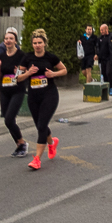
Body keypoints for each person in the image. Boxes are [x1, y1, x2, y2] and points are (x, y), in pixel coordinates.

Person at [17, 28, 66, 170]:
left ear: (44, 44)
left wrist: (53, 74)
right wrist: (28, 73)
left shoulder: (51, 57)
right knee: (40, 125)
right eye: (35, 43)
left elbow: (64, 70)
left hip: (49, 94)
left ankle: (37, 159)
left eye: (40, 42)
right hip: (33, 96)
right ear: (32, 45)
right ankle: (51, 143)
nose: (37, 45)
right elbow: (18, 78)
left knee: (42, 126)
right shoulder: (27, 58)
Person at [0, 28, 29, 157]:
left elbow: (27, 73)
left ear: (15, 41)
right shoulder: (1, 56)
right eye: (6, 39)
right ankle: (19, 144)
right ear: (4, 41)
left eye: (11, 39)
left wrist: (18, 73)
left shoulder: (21, 56)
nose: (8, 41)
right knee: (7, 120)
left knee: (9, 118)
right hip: (4, 90)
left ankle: (22, 143)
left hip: (17, 90)